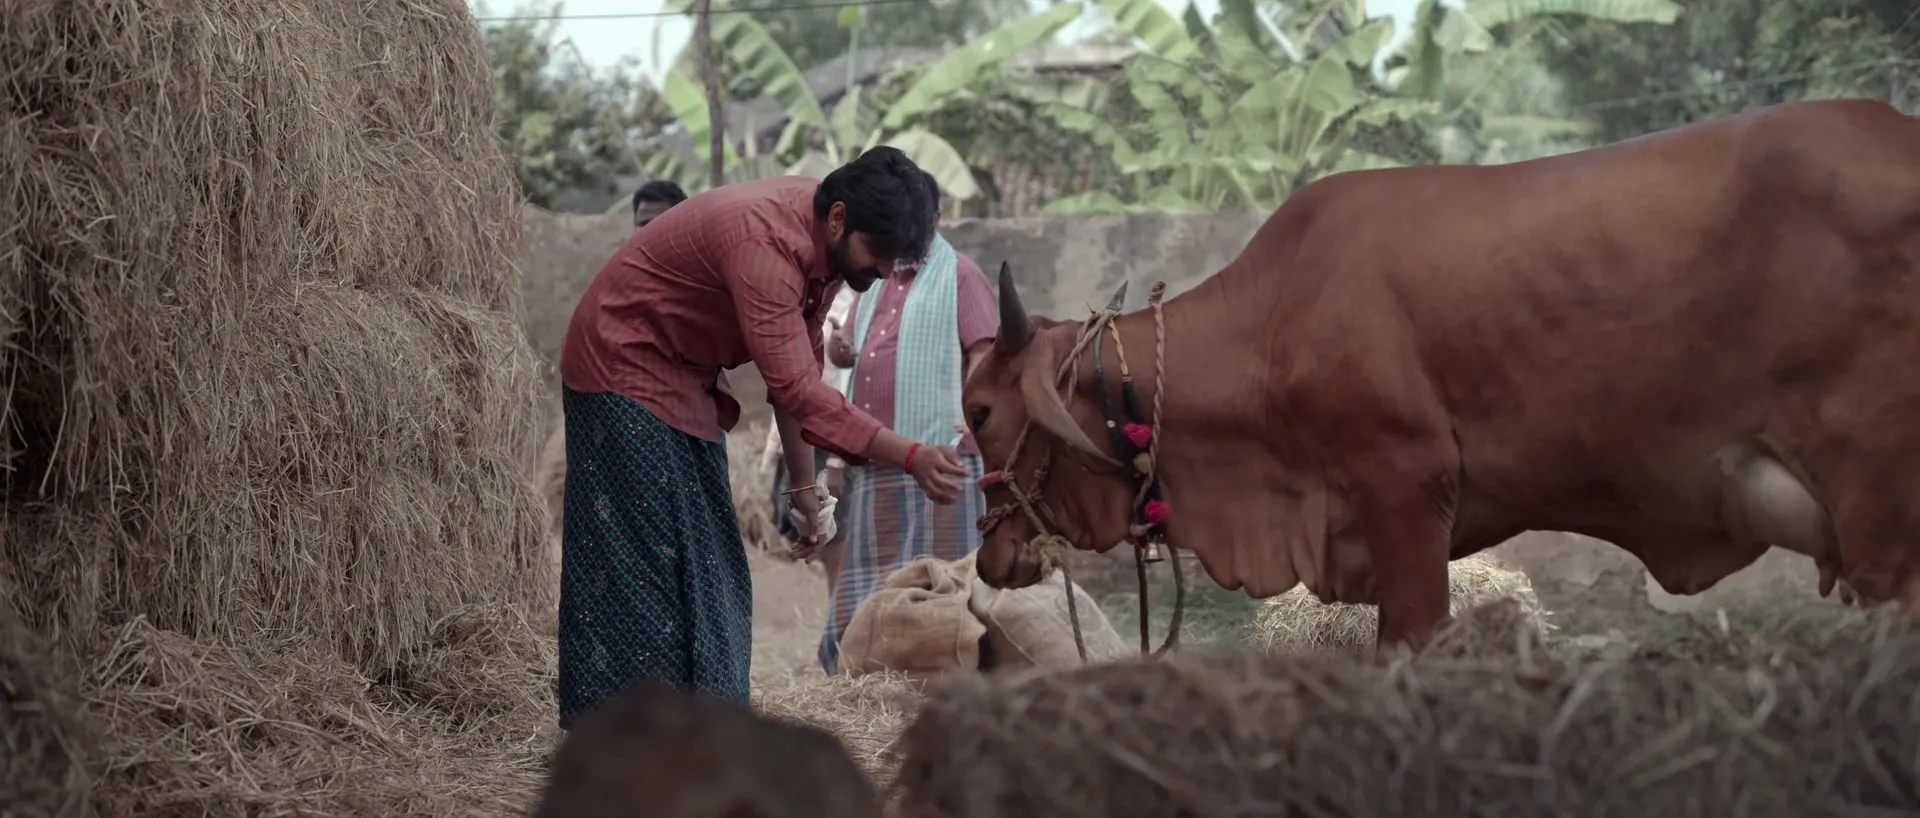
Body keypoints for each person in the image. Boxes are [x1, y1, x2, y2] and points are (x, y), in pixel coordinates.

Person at [557, 148, 970, 727]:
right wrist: (911, 455)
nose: (880, 272)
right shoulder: (766, 245)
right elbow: (799, 389)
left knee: (714, 567)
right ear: (838, 218)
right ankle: (626, 735)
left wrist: (804, 490)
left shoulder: (825, 243)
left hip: (683, 378)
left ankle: (705, 731)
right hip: (621, 366)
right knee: (649, 568)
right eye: (877, 253)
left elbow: (796, 378)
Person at [817, 170, 998, 675]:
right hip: (882, 460)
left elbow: (985, 355)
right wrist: (840, 349)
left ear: (935, 218)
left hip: (942, 460)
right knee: (875, 577)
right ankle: (866, 673)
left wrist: (972, 426)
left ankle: (944, 674)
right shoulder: (876, 276)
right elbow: (849, 349)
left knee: (942, 579)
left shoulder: (960, 275)